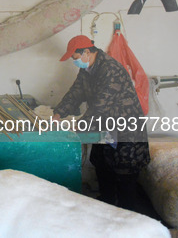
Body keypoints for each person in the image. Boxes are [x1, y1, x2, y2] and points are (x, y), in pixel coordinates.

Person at [52, 35, 150, 211]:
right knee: (103, 166)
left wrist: (79, 125)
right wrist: (59, 113)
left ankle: (127, 219)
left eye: (75, 58)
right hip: (105, 127)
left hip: (126, 129)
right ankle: (106, 208)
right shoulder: (87, 69)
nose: (75, 62)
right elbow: (75, 92)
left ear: (87, 53)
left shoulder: (110, 69)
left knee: (125, 173)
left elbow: (101, 106)